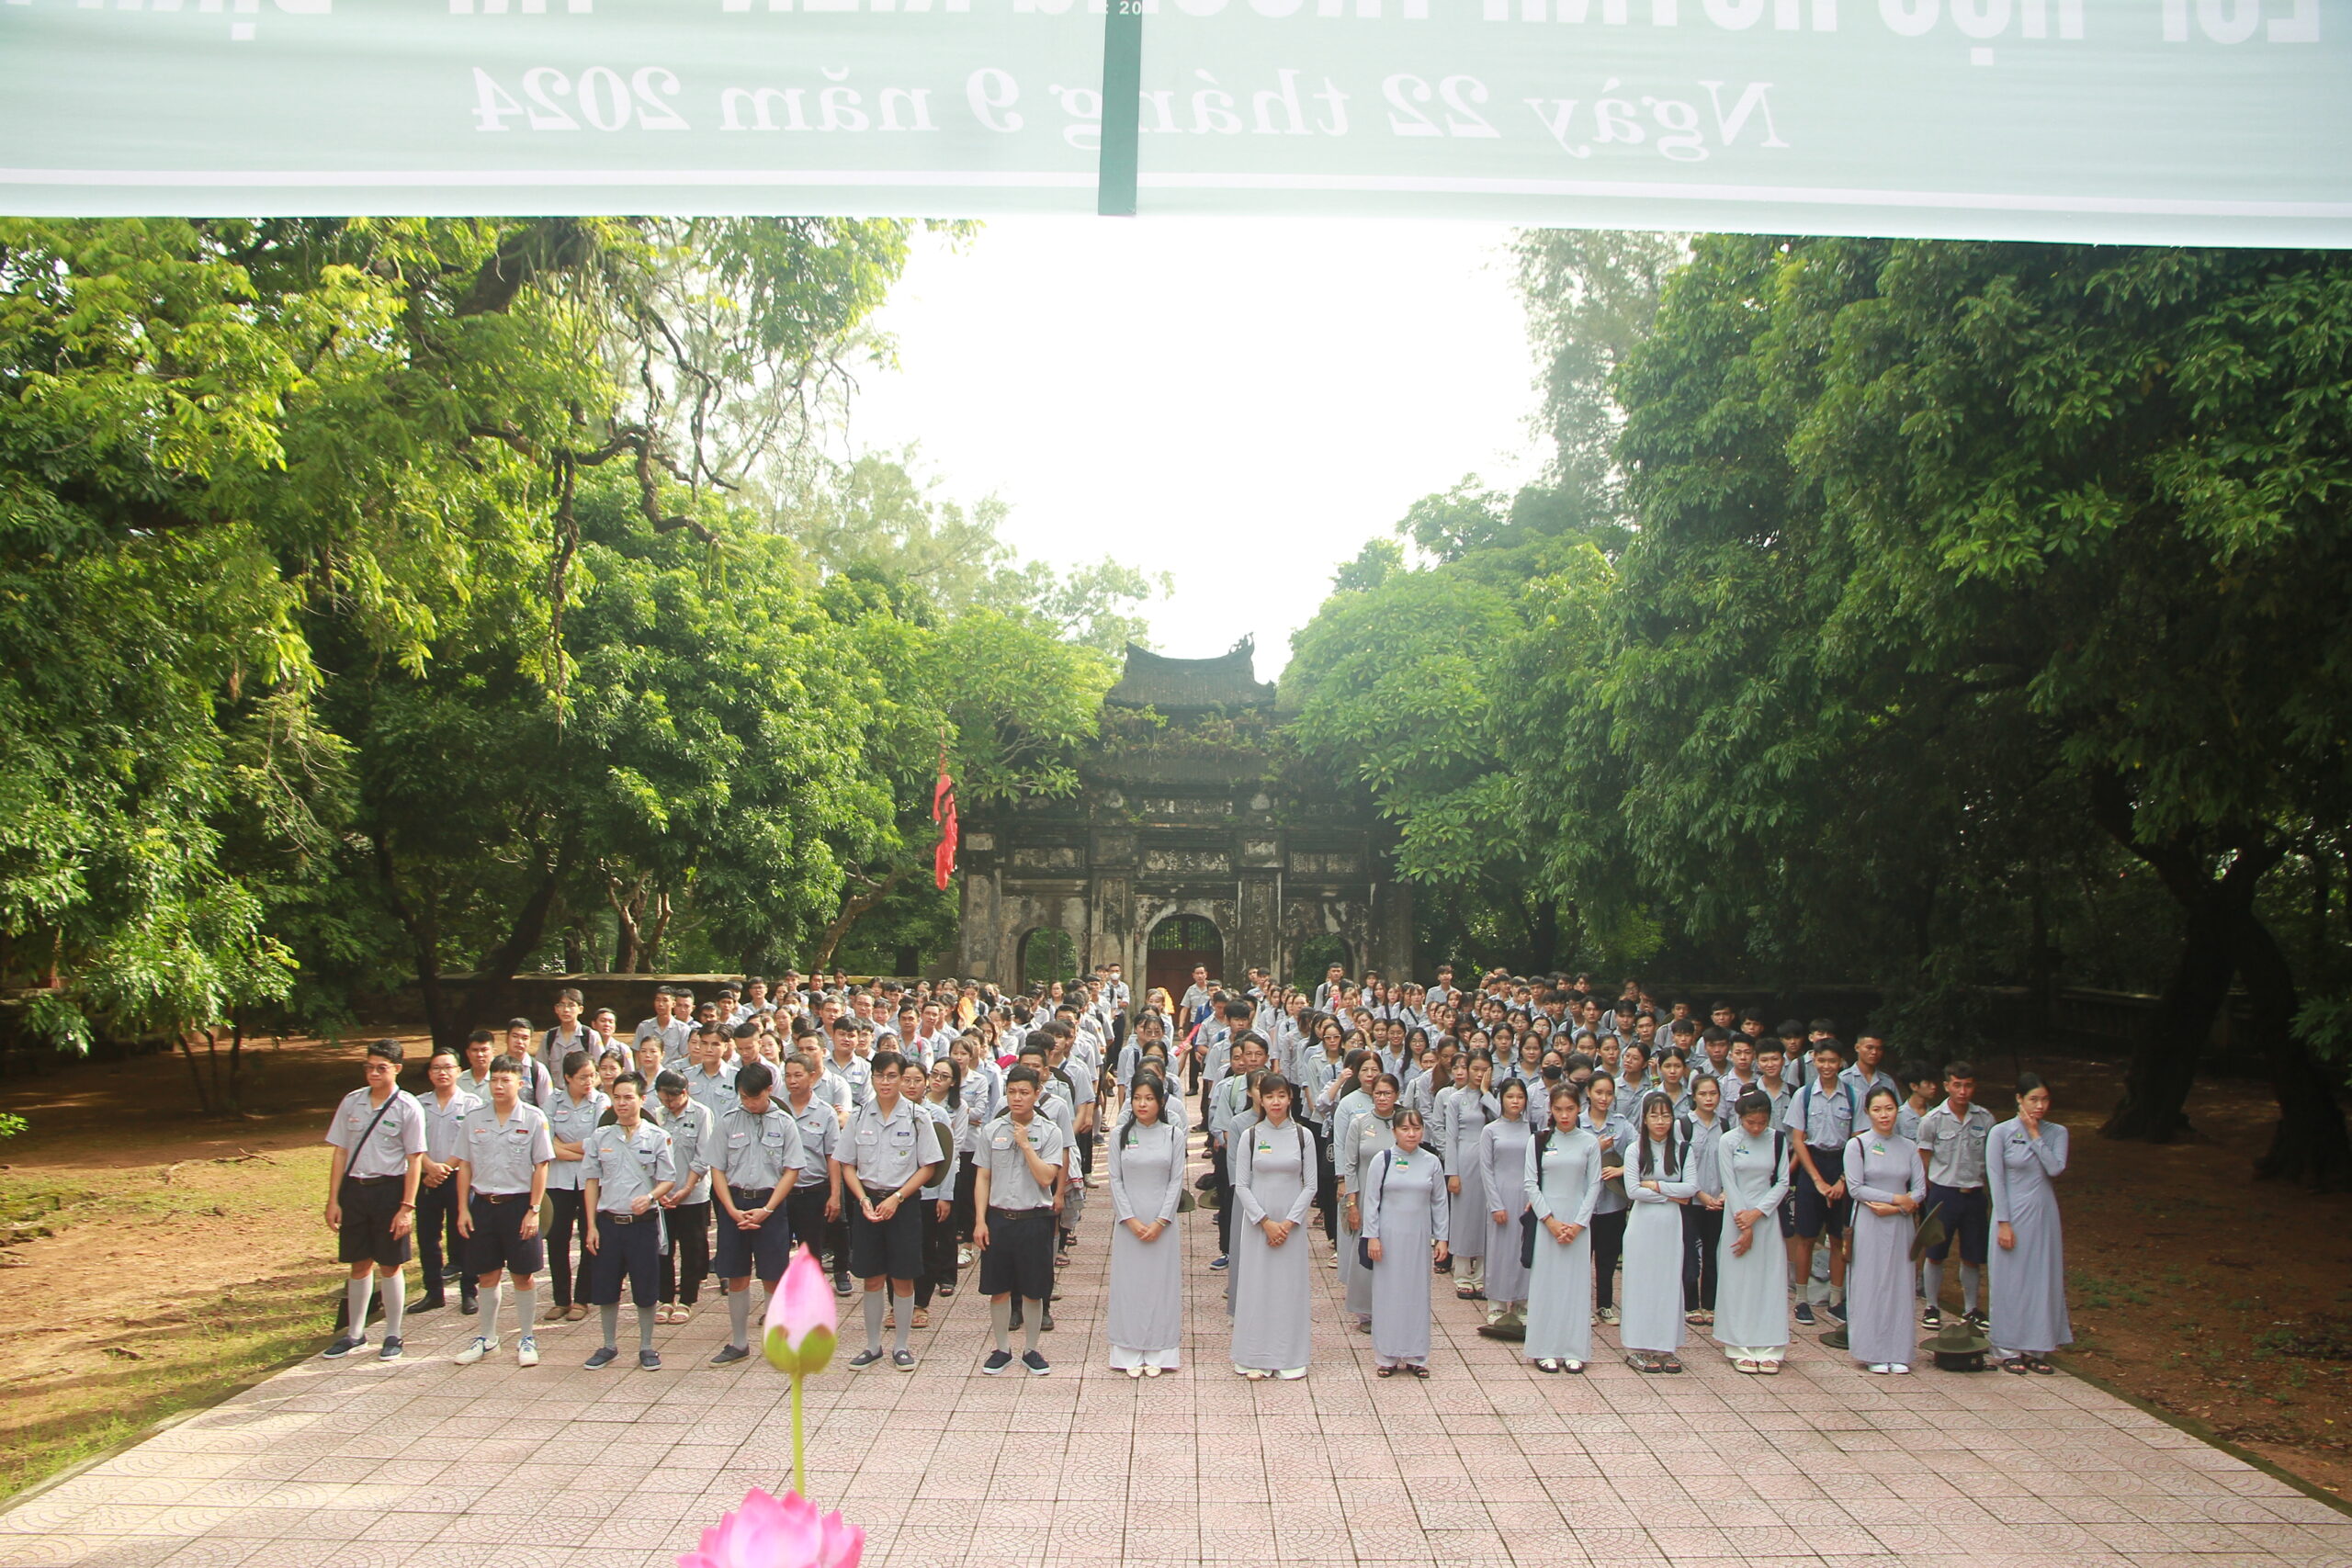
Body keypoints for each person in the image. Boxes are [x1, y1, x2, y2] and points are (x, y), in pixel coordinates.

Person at [320, 1039, 427, 1361]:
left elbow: (415, 1159)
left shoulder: (407, 1106)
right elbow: (340, 1152)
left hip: (390, 1189)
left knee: (390, 1263)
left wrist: (407, 1207)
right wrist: (334, 1200)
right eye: (369, 1067)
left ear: (397, 1069)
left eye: (382, 1068)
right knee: (359, 1262)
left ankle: (393, 1333)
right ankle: (355, 1333)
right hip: (355, 1189)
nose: (374, 1073)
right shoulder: (352, 1102)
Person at [837, 1051, 944, 1371]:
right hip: (868, 1204)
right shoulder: (859, 1117)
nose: (885, 1082)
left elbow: (928, 1166)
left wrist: (897, 1197)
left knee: (903, 1277)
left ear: (901, 1078)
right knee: (871, 1278)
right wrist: (862, 1199)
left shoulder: (917, 1116)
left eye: (892, 1076)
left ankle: (901, 1346)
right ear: (872, 1078)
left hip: (903, 1205)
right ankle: (872, 1346)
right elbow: (847, 1164)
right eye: (880, 1076)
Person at [453, 1055, 554, 1367]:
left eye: (505, 1080)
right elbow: (464, 1165)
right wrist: (463, 1209)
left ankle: (527, 1337)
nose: (498, 1086)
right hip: (484, 1205)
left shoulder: (533, 1118)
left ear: (519, 1083)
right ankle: (487, 1338)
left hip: (519, 1205)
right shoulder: (474, 1118)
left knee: (523, 1275)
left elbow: (541, 1166)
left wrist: (534, 1209)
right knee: (487, 1274)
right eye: (494, 1080)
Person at [707, 1061, 804, 1366]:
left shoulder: (784, 1123)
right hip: (735, 1203)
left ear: (769, 1091)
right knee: (736, 1275)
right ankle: (739, 1342)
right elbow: (717, 1169)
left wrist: (768, 1209)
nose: (750, 1103)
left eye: (756, 1097)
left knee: (773, 1275)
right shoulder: (728, 1121)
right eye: (744, 1097)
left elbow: (792, 1170)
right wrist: (731, 1210)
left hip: (770, 1205)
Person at [580, 1072, 677, 1370]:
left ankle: (647, 1346)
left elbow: (668, 1179)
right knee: (606, 1286)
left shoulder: (657, 1136)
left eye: (628, 1097)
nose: (622, 1103)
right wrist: (591, 1225)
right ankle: (609, 1344)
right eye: (617, 1097)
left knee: (645, 1286)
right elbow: (591, 1182)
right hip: (609, 1222)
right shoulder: (600, 1137)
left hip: (643, 1224)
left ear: (642, 1099)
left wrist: (650, 1197)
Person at [975, 1065, 1065, 1376]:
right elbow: (983, 1176)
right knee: (998, 1289)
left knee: (1033, 1289)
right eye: (1012, 1092)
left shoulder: (1050, 1132)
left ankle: (1031, 1349)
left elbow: (1046, 1177)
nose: (1017, 1098)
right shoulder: (992, 1130)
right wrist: (980, 1220)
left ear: (1037, 1093)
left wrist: (1026, 1144)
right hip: (999, 1218)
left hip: (1034, 1219)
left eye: (1024, 1092)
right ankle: (1002, 1349)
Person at [1229, 1073, 1316, 1380]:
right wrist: (1265, 1222)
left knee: (1289, 1288)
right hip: (1258, 1224)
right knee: (1257, 1287)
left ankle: (1289, 1357)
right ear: (1260, 1100)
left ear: (1290, 1098)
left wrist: (1289, 1222)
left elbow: (1310, 1185)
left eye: (1281, 1095)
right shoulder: (1251, 1136)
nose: (1276, 1102)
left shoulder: (1303, 1136)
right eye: (1269, 1096)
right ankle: (1253, 1355)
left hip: (1292, 1225)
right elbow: (1241, 1184)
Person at [1987, 1073, 2071, 1375]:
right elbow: (1996, 1180)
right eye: (2033, 1100)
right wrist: (2003, 1222)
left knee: (2041, 1280)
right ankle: (2007, 1347)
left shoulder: (2057, 1132)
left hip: (2043, 1214)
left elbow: (2055, 1168)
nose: (2039, 1106)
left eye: (2045, 1100)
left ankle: (2036, 1347)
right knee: (2009, 1281)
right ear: (2019, 1099)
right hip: (2012, 1212)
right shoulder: (2000, 1132)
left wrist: (2035, 1135)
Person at [1105, 1075, 1186, 1375]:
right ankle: (1127, 1351)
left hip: (1163, 1225)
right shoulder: (1119, 1135)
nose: (1142, 1104)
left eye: (1149, 1098)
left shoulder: (1174, 1135)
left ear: (1161, 1102)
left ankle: (1160, 1352)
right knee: (1129, 1286)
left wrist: (1161, 1220)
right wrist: (1130, 1219)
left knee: (1161, 1286)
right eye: (1137, 1098)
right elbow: (1115, 1179)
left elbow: (1176, 1180)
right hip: (1129, 1225)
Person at [1843, 1085, 1925, 1374]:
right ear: (1867, 1112)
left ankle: (1898, 1351)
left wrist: (1898, 1207)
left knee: (1900, 1284)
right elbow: (1856, 1188)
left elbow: (1920, 1190)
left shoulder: (1909, 1147)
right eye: (1877, 1109)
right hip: (1870, 1221)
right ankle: (1872, 1350)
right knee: (1870, 1283)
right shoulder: (1858, 1145)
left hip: (1901, 1224)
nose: (1884, 1115)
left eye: (1889, 1109)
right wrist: (1896, 1199)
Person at [1362, 1107, 1449, 1378]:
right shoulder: (1383, 1160)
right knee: (1388, 1294)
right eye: (1405, 1129)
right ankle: (1386, 1356)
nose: (1411, 1134)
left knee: (1417, 1294)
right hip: (1388, 1237)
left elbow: (1440, 1202)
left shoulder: (1431, 1162)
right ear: (1394, 1131)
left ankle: (1416, 1355)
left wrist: (1442, 1238)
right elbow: (1371, 1200)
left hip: (1419, 1236)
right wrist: (1372, 1236)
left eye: (1416, 1128)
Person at [1522, 1083, 1601, 1373]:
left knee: (1575, 1286)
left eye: (1570, 1109)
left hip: (1578, 1223)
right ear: (1551, 1110)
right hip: (1548, 1222)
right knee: (1546, 1285)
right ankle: (1544, 1348)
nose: (1564, 1115)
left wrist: (1579, 1224)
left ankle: (1574, 1349)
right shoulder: (1539, 1141)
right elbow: (1530, 1183)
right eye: (1558, 1109)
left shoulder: (1589, 1142)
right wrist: (1550, 1221)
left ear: (1579, 1108)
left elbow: (1594, 1185)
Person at [1713, 1090, 1793, 1375]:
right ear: (1740, 1118)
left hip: (1766, 1217)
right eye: (1750, 1123)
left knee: (1769, 1279)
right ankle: (1739, 1345)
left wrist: (1758, 1213)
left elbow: (1782, 1182)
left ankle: (1770, 1346)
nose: (1756, 1128)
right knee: (1738, 1280)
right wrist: (1744, 1223)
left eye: (1761, 1122)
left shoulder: (1778, 1140)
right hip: (1736, 1215)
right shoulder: (1728, 1141)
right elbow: (1729, 1182)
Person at [1916, 1060, 1996, 1332]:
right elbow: (1924, 1156)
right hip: (1943, 1193)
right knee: (1936, 1252)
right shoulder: (1933, 1120)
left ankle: (1971, 1308)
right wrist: (1930, 1189)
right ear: (1947, 1086)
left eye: (1968, 1085)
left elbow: (1990, 1157)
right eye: (1957, 1085)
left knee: (1973, 1254)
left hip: (1974, 1194)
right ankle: (1932, 1306)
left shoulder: (1985, 1119)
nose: (1963, 1091)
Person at [1784, 1039, 1859, 1327]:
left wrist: (1842, 1180)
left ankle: (1836, 1301)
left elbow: (1857, 1141)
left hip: (1842, 1164)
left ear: (1841, 1063)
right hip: (1811, 1165)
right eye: (1822, 1060)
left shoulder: (1852, 1096)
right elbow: (1798, 1140)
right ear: (1814, 1060)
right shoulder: (1803, 1096)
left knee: (1839, 1237)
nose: (1827, 1066)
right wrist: (1816, 1179)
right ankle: (1802, 1299)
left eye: (1832, 1061)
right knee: (1805, 1236)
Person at [1621, 1091, 1694, 1373]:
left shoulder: (1682, 1150)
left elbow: (1691, 1188)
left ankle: (1665, 1347)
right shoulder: (1634, 1150)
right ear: (1645, 1119)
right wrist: (1672, 1195)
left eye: (1665, 1115)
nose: (1660, 1121)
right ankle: (1636, 1347)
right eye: (1654, 1115)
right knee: (1641, 1283)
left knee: (1667, 1282)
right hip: (1642, 1224)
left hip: (1671, 1225)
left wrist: (1657, 1186)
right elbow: (1633, 1191)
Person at [542, 1050, 610, 1324]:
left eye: (592, 1076)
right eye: (582, 1077)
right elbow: (546, 1144)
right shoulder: (552, 1101)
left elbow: (597, 1143)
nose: (589, 1081)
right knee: (556, 1238)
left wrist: (563, 1147)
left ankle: (583, 1298)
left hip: (589, 1181)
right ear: (568, 1078)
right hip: (557, 1181)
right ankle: (561, 1299)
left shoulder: (601, 1101)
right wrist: (575, 1149)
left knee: (589, 1237)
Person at [414, 1047, 481, 1316]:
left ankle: (469, 1292)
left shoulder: (471, 1103)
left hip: (459, 1178)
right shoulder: (419, 1104)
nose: (442, 1073)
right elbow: (411, 1143)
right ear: (430, 1074)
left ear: (458, 1071)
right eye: (436, 1068)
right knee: (428, 1238)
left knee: (465, 1235)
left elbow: (472, 1143)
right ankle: (433, 1292)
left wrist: (445, 1168)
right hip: (426, 1178)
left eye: (448, 1067)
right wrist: (430, 1167)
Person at [1339, 1074, 1402, 1332]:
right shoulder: (1359, 1123)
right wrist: (1352, 1203)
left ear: (1396, 1095)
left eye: (1387, 1093)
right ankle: (1366, 1311)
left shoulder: (1404, 1123)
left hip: (1397, 1199)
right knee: (1365, 1252)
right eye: (1378, 1093)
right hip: (1365, 1197)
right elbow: (1350, 1165)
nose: (1382, 1098)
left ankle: (1394, 1309)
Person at [650, 1069, 713, 1325]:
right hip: (663, 1194)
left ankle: (687, 1299)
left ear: (684, 1093)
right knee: (664, 1248)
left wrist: (686, 1187)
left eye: (672, 1099)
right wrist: (660, 1190)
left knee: (691, 1247)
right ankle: (665, 1298)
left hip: (693, 1194)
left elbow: (704, 1155)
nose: (668, 1104)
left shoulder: (701, 1114)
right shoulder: (658, 1114)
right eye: (663, 1099)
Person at [1475, 1077, 1535, 1332]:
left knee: (1524, 1249)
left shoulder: (1533, 1129)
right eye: (1510, 1097)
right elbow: (1486, 1169)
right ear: (1501, 1099)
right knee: (1499, 1250)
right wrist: (1495, 1204)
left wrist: (1535, 1198)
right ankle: (1496, 1304)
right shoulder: (1491, 1130)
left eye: (1520, 1097)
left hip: (1527, 1197)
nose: (1515, 1102)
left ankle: (1522, 1302)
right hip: (1500, 1195)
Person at [1580, 1072, 1634, 1327]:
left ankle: (1605, 1304)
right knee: (1582, 1256)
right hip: (1584, 1202)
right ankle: (1582, 1306)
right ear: (1588, 1092)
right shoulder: (1577, 1122)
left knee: (1608, 1256)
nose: (1604, 1098)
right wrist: (1595, 1149)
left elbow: (1639, 1153)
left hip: (1613, 1201)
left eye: (1609, 1093)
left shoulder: (1622, 1125)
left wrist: (1622, 1170)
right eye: (1599, 1092)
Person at [1441, 1053, 1495, 1302]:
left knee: (1486, 1218)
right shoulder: (1456, 1099)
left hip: (1490, 1162)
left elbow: (1505, 1119)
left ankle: (1482, 1276)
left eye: (1485, 1069)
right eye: (1475, 1069)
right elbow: (1450, 1137)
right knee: (1464, 1218)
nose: (1479, 1074)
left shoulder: (1494, 1097)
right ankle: (1462, 1274)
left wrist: (1486, 1093)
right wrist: (1452, 1172)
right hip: (1464, 1161)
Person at [1681, 1075, 1728, 1326]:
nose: (1708, 1099)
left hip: (1719, 1200)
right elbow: (1680, 1165)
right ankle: (1690, 1305)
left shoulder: (1726, 1126)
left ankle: (1710, 1304)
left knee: (1713, 1253)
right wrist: (1700, 1194)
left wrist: (1724, 1194)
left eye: (1713, 1094)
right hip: (1691, 1200)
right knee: (1690, 1253)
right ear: (1694, 1096)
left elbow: (1732, 1164)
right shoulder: (1684, 1125)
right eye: (1703, 1094)